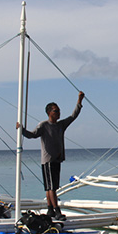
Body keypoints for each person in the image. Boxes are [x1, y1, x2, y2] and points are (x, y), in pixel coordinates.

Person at [17, 91, 85, 220]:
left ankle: (50, 210)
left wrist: (79, 101)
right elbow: (32, 135)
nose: (58, 113)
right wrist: (22, 130)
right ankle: (57, 210)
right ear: (49, 113)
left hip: (57, 160)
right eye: (56, 111)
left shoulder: (61, 125)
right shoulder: (43, 125)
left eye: (59, 111)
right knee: (51, 187)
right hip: (47, 160)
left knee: (51, 186)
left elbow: (73, 116)